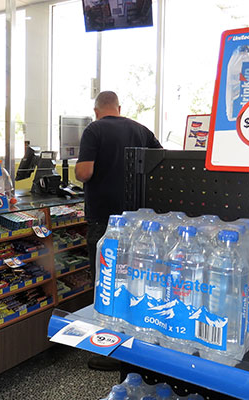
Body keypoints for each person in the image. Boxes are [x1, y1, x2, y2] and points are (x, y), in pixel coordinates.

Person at [75, 91, 162, 371]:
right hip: (138, 222)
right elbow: (162, 163)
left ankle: (107, 349)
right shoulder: (141, 129)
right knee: (132, 282)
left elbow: (84, 173)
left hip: (105, 221)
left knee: (105, 282)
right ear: (119, 108)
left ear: (96, 110)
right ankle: (134, 343)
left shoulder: (94, 130)